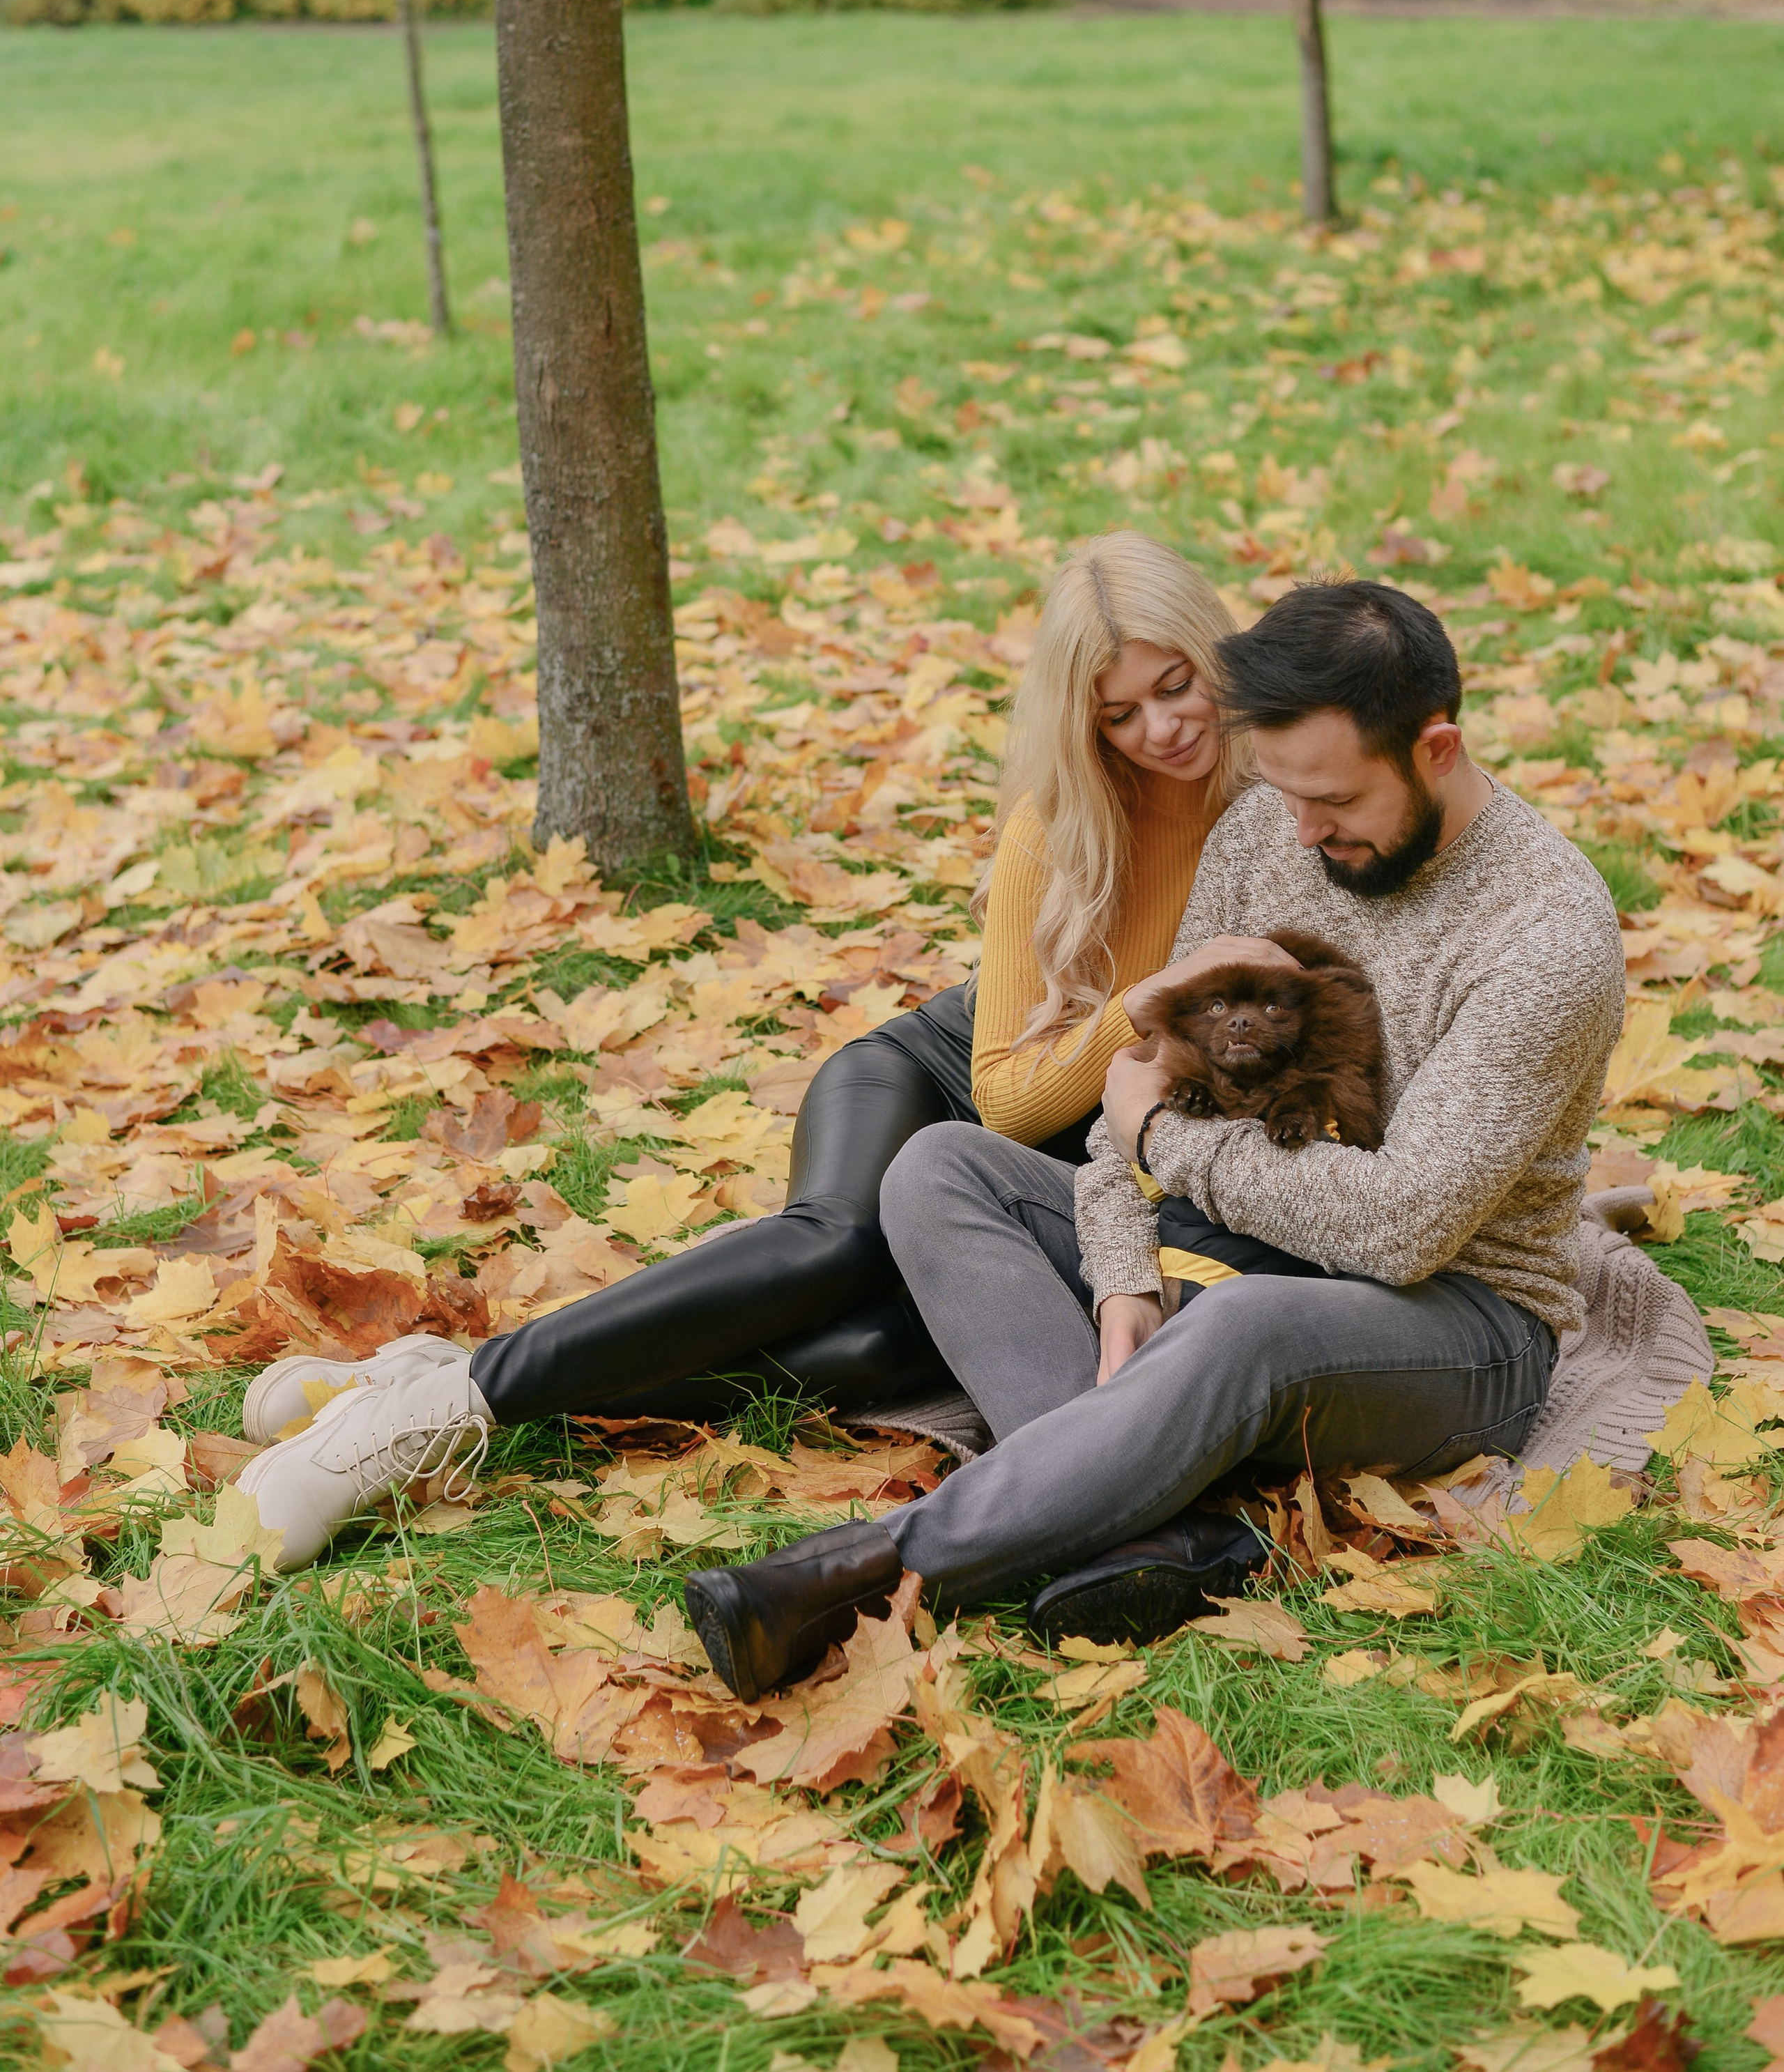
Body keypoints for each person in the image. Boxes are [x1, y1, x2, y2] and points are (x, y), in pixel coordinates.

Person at [678, 578, 1630, 1703]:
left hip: (1457, 1321)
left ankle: (857, 1573)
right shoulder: (1262, 833)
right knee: (940, 1167)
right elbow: (1141, 1095)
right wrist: (1125, 1270)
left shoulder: (1548, 934)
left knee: (1245, 1325)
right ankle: (1151, 1534)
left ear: (1436, 749)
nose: (1304, 832)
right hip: (1212, 1240)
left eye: (1333, 798)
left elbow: (1399, 1226)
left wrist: (1168, 1149)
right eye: (1282, 792)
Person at [235, 531, 1253, 1569]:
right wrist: (1150, 1000)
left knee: (874, 1352)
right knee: (836, 1246)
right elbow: (1006, 1101)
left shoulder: (1279, 803)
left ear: (1215, 653)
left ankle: (435, 1379)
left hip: (1048, 1181)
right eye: (1118, 715)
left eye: (1177, 688)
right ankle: (436, 1414)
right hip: (942, 1089)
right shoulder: (1063, 822)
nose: (1161, 729)